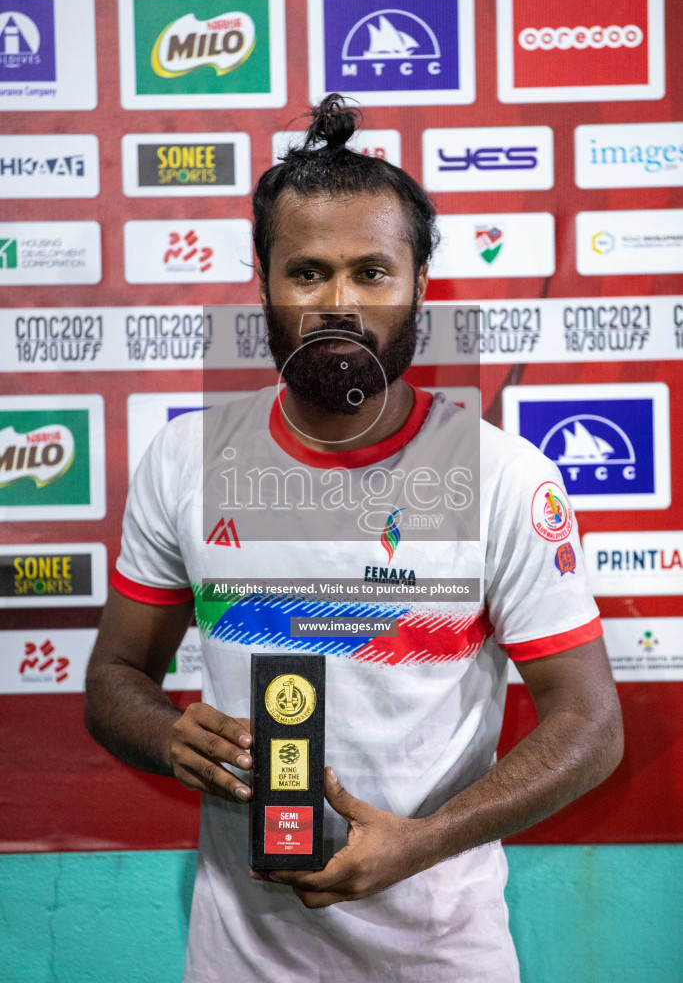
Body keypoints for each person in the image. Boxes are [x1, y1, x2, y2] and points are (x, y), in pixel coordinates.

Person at [85, 94, 623, 983]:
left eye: (372, 272)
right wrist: (166, 736)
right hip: (239, 958)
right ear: (262, 281)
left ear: (417, 284)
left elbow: (590, 724)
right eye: (307, 272)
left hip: (440, 955)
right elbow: (115, 678)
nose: (339, 302)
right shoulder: (190, 457)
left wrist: (421, 841)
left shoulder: (500, 474)